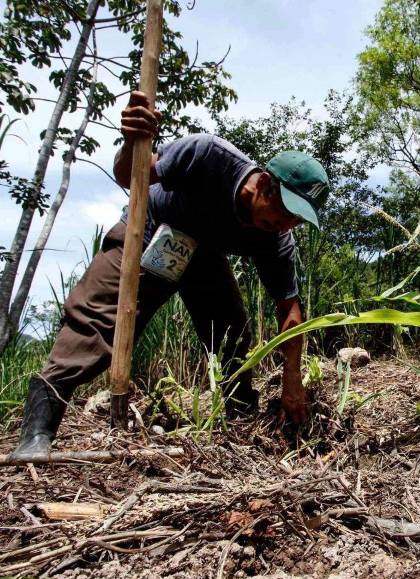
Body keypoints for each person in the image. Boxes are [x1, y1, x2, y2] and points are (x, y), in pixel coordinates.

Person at [10, 91, 329, 459]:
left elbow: (290, 312)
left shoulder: (275, 237)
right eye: (284, 209)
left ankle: (240, 420)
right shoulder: (208, 155)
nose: (285, 223)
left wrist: (293, 382)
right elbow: (131, 176)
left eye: (297, 218)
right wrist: (133, 139)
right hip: (152, 230)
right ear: (263, 184)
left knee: (230, 335)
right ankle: (38, 429)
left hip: (203, 255)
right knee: (97, 319)